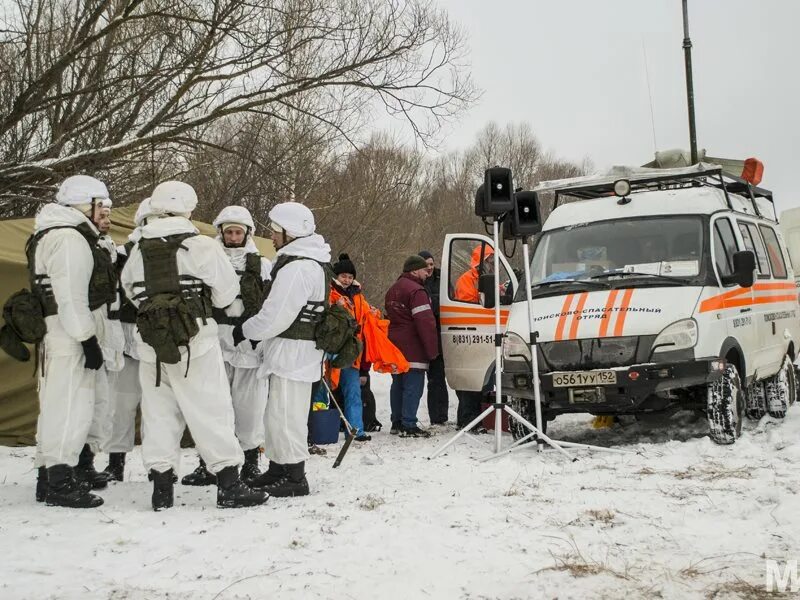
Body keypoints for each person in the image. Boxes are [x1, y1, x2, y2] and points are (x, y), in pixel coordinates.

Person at [121, 181, 267, 511]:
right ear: (187, 208)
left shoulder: (138, 248)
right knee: (211, 410)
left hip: (152, 346)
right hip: (196, 342)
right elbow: (227, 293)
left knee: (158, 413)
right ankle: (229, 483)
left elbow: (130, 290)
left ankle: (161, 488)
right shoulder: (199, 245)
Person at [30, 175, 118, 508]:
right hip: (68, 334)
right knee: (68, 406)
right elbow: (70, 297)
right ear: (85, 205)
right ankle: (58, 482)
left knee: (64, 405)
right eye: (102, 206)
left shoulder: (59, 233)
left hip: (63, 331)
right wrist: (87, 340)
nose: (105, 214)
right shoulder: (68, 238)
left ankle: (51, 476)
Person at [238, 201, 331, 497]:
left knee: (287, 414)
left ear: (290, 232)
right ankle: (278, 468)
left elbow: (276, 316)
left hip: (294, 352)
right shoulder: (299, 261)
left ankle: (295, 477)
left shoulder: (300, 267)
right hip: (289, 352)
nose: (272, 236)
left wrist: (246, 330)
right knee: (276, 414)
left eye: (276, 230)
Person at [181, 205, 271, 486]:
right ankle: (208, 463)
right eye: (229, 232)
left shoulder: (263, 265)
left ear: (246, 234)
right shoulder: (207, 260)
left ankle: (251, 463)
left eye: (238, 232)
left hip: (248, 344)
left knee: (249, 407)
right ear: (220, 232)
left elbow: (270, 304)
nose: (233, 237)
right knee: (213, 405)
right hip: (214, 341)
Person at [102, 199, 156, 481]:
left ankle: (158, 466)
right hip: (125, 335)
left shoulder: (169, 254)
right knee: (121, 404)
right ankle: (115, 462)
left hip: (156, 338)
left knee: (156, 408)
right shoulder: (121, 254)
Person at [312, 253, 373, 442]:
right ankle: (317, 428)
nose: (346, 280)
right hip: (329, 351)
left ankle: (355, 431)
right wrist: (334, 307)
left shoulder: (359, 298)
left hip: (351, 351)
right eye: (343, 276)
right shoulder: (327, 293)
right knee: (324, 391)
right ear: (336, 277)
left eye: (350, 276)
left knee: (352, 392)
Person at [384, 255, 439, 437]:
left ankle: (396, 422)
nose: (426, 273)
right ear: (415, 270)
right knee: (413, 386)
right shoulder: (417, 291)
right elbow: (425, 322)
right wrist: (432, 350)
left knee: (397, 385)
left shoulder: (393, 289)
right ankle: (409, 424)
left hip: (395, 346)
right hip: (413, 346)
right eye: (424, 270)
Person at [418, 250, 449, 425]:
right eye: (426, 265)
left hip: (441, 332)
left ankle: (441, 416)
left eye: (431, 264)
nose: (430, 268)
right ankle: (434, 416)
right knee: (430, 379)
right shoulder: (417, 282)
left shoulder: (442, 279)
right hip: (425, 334)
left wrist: (432, 302)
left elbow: (448, 302)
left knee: (439, 377)